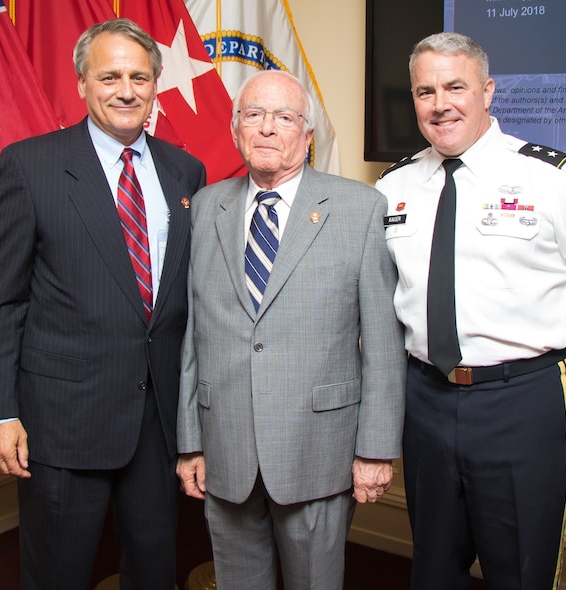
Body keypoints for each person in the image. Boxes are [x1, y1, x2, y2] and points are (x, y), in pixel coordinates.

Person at [375, 32, 566, 590]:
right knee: (434, 567)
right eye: (425, 91)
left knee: (521, 570)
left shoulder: (555, 178)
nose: (440, 104)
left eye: (455, 86)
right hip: (425, 398)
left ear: (487, 91)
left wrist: (563, 338)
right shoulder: (395, 185)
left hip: (521, 401)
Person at [0, 18, 206, 589]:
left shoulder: (186, 171)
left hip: (157, 423)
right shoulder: (31, 166)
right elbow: (0, 303)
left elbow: (187, 304)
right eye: (110, 76)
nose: (126, 90)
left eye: (140, 77)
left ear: (155, 85)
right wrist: (0, 414)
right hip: (62, 421)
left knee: (154, 572)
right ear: (82, 83)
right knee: (59, 573)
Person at [176, 70, 406, 590]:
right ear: (237, 129)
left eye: (283, 117)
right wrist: (190, 440)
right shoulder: (207, 205)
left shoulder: (359, 207)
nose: (266, 128)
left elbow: (384, 345)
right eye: (253, 114)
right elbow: (194, 332)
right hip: (225, 447)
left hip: (318, 449)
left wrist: (374, 450)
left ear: (307, 137)